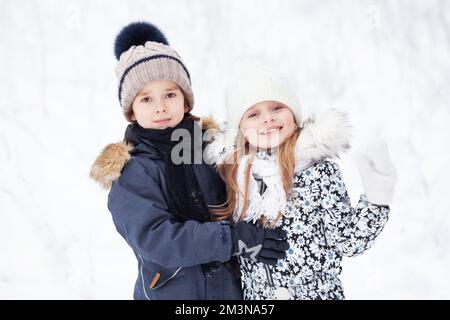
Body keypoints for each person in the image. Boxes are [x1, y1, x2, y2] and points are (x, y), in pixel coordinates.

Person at [89, 23, 289, 300]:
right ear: (131, 112)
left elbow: (252, 185)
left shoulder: (212, 148)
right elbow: (157, 240)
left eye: (170, 94)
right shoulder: (133, 173)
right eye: (146, 99)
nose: (160, 106)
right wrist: (233, 239)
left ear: (185, 102)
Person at [204, 61, 397, 300]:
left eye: (277, 108)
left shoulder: (318, 173)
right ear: (240, 129)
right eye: (254, 114)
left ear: (294, 116)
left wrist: (377, 197)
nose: (267, 119)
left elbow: (348, 242)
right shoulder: (236, 178)